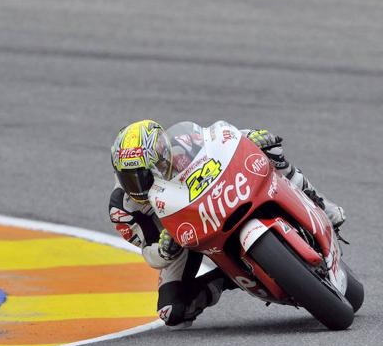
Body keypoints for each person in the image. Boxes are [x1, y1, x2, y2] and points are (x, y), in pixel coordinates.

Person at [108, 119, 346, 328]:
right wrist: (163, 251)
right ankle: (226, 278)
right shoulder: (123, 208)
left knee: (271, 150)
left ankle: (323, 205)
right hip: (181, 241)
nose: (138, 184)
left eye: (145, 173)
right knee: (172, 313)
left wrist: (250, 136)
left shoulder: (182, 142)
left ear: (162, 154)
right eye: (129, 177)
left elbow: (220, 137)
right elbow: (148, 253)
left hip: (218, 198)